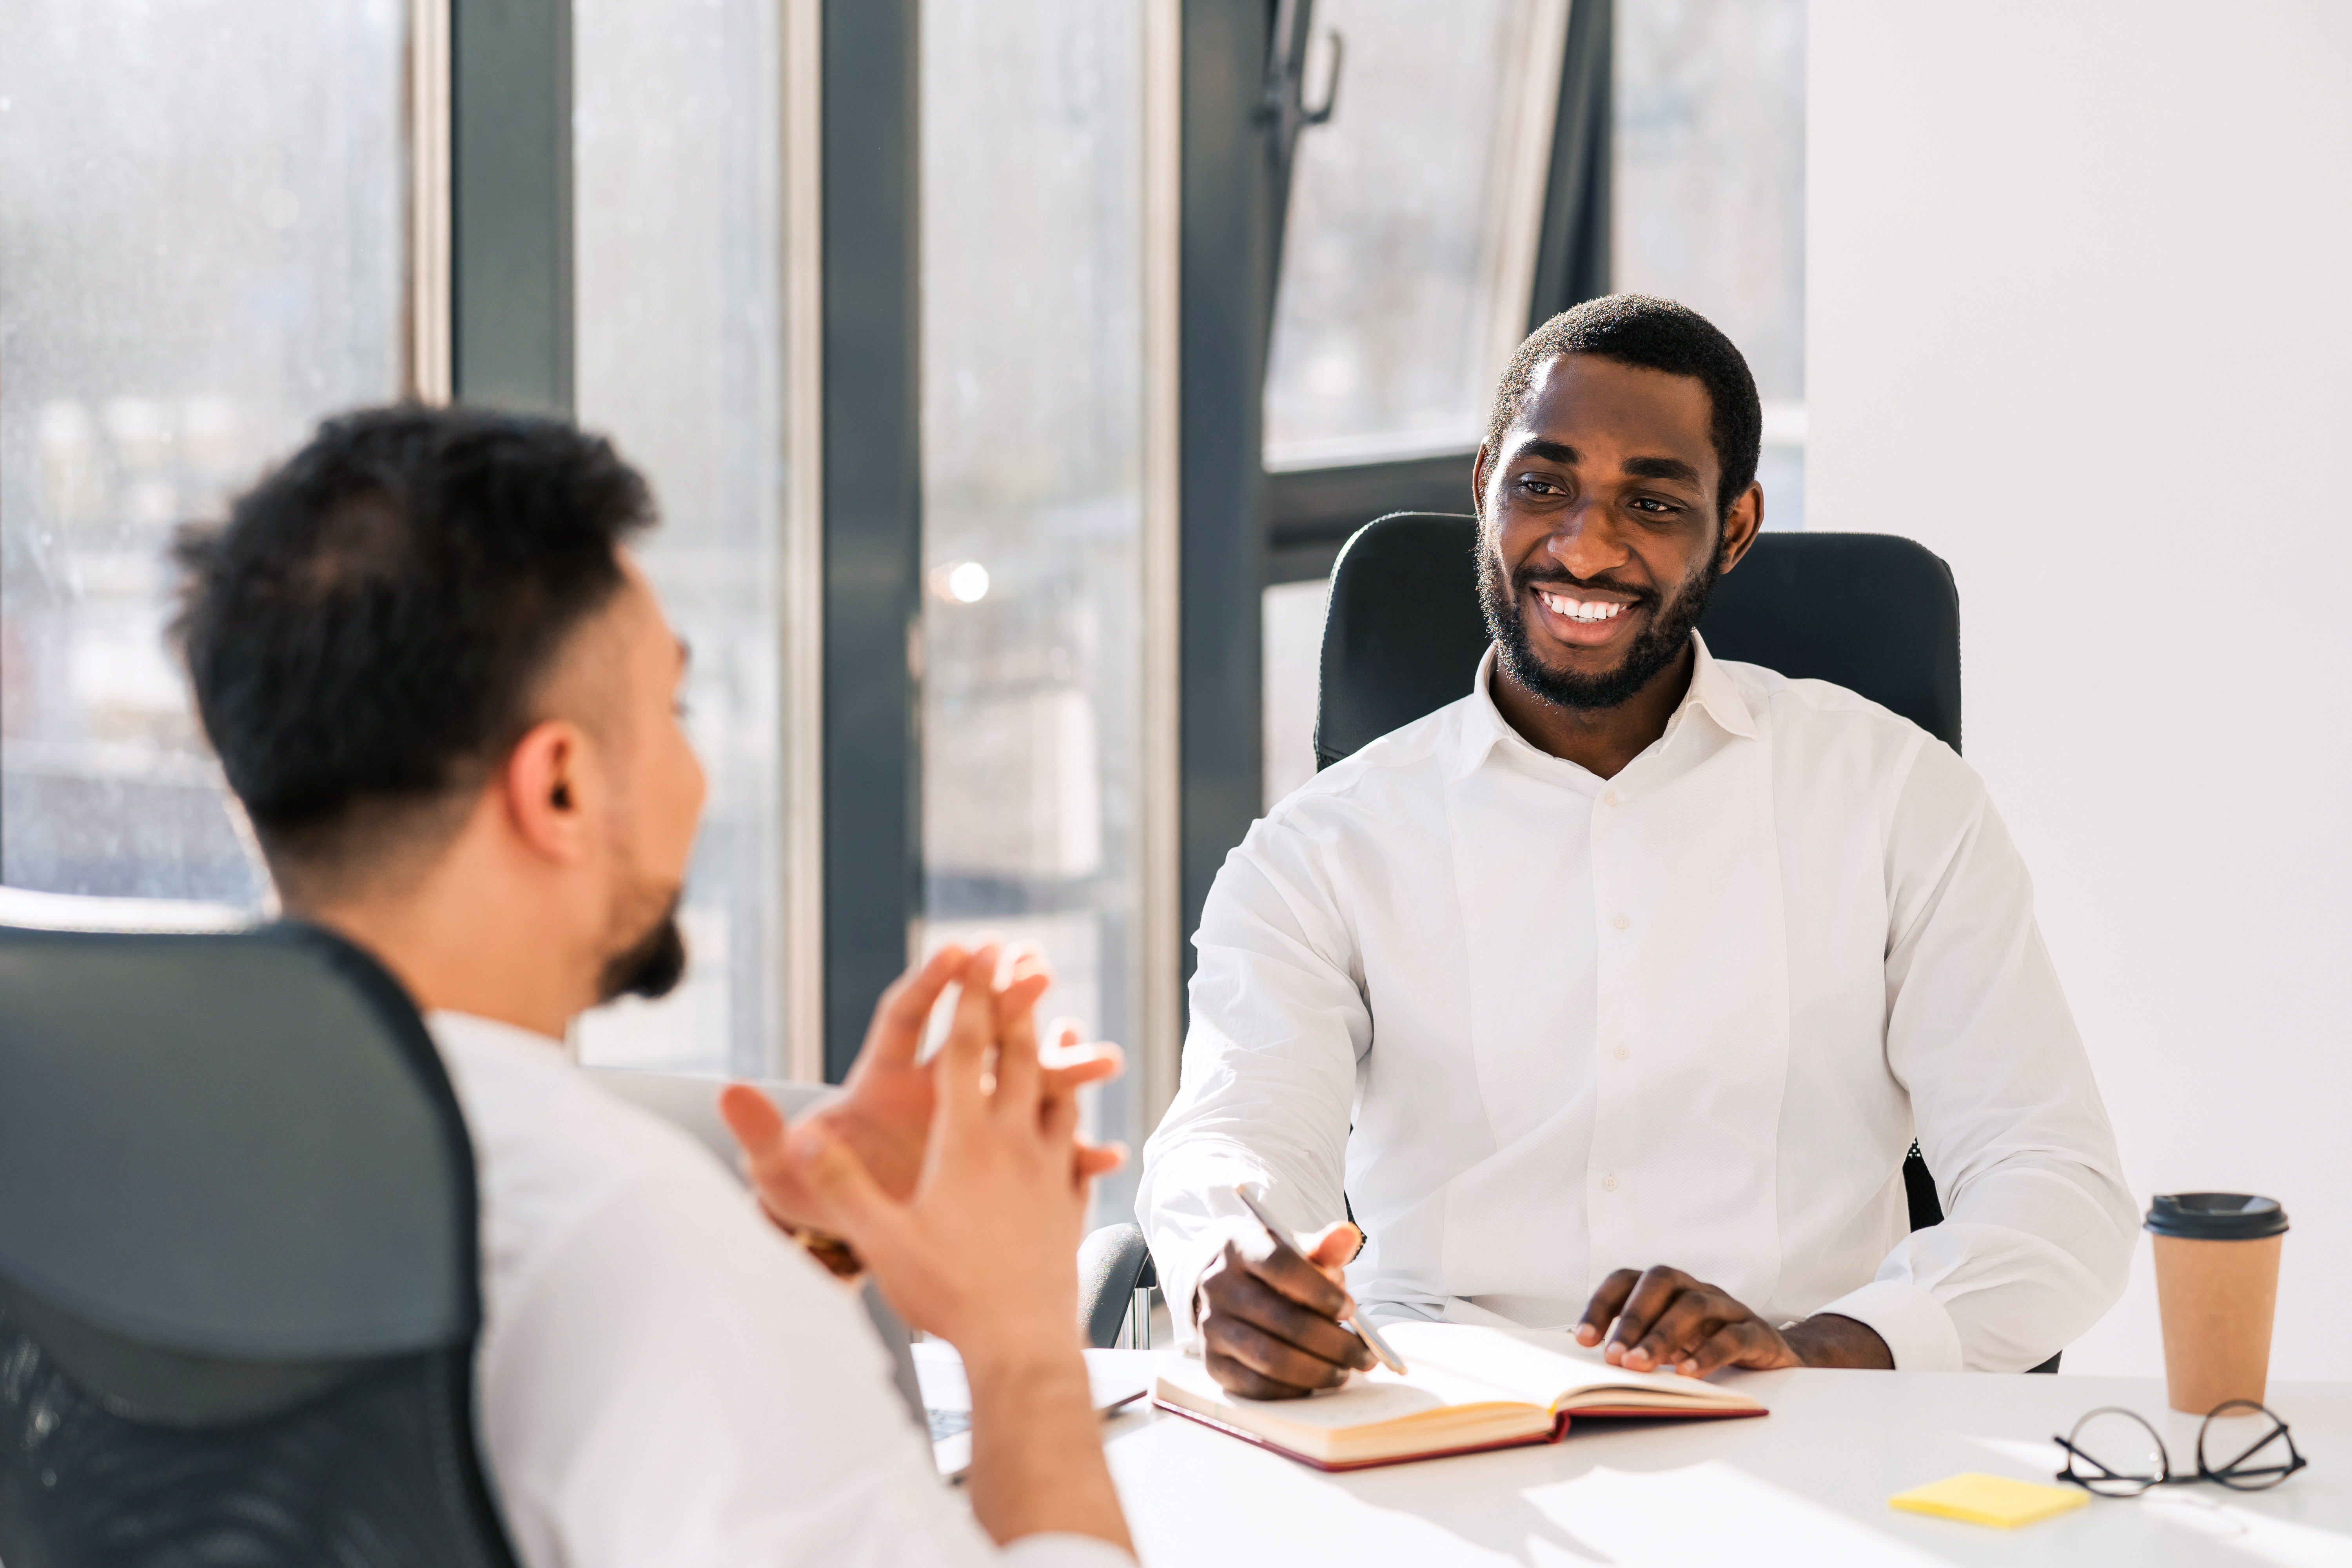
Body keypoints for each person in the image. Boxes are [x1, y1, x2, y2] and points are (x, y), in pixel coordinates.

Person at [172, 404, 1135, 1566]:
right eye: (671, 712)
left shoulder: (116, 1133)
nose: (693, 776)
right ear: (561, 788)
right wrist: (1022, 1333)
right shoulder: (626, 1235)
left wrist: (800, 1255)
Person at [1135, 294, 2136, 1396]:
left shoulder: (1897, 797)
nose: (1584, 543)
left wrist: (1823, 1349)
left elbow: (2057, 1188)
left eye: (1652, 503)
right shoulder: (1322, 850)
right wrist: (1228, 1270)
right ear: (1485, 488)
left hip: (1796, 1411)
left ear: (1736, 527)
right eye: (1543, 485)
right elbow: (1234, 1138)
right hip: (1432, 1419)